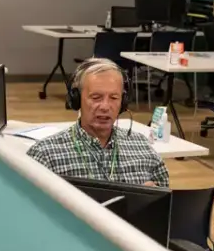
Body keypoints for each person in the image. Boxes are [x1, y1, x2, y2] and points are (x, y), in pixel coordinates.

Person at [27, 58, 168, 187]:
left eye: (113, 98)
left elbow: (166, 204)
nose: (105, 106)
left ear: (123, 102)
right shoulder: (45, 156)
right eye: (96, 97)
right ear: (76, 100)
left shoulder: (142, 147)